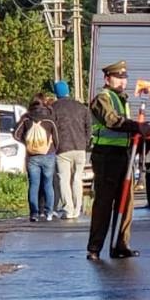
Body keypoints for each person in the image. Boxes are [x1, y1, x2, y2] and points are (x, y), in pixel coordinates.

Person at [86, 60, 150, 262]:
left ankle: (120, 245)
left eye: (124, 78)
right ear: (108, 79)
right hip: (106, 155)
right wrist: (135, 126)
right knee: (105, 202)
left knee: (126, 201)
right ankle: (95, 247)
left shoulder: (123, 99)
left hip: (123, 154)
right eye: (118, 78)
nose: (122, 82)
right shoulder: (102, 98)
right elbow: (111, 121)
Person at [13, 93, 59, 222]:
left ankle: (34, 213)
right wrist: (53, 149)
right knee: (48, 184)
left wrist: (26, 142)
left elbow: (16, 134)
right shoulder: (49, 118)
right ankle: (49, 212)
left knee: (33, 184)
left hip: (32, 156)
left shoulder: (26, 118)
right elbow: (56, 138)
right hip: (48, 154)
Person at [51, 80, 91, 220]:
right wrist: (85, 142)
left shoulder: (54, 108)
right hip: (80, 148)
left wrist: (55, 144)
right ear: (68, 91)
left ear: (56, 93)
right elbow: (88, 127)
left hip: (62, 149)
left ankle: (68, 209)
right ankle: (77, 208)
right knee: (77, 179)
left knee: (64, 179)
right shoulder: (81, 107)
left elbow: (52, 128)